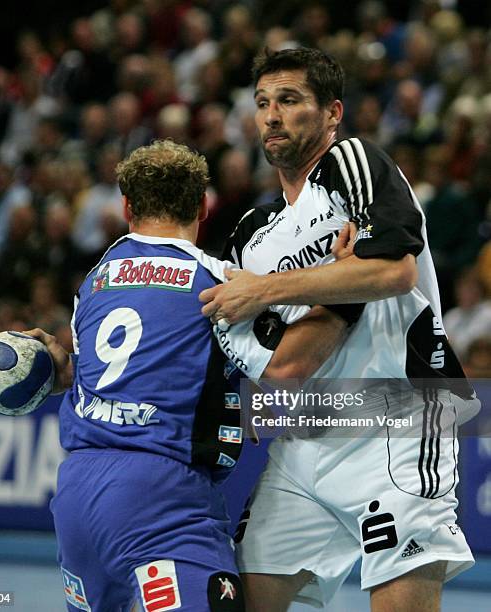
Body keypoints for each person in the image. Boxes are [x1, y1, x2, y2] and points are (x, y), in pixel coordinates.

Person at [199, 47, 480, 612]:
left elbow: (395, 271)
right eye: (262, 103)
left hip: (397, 422)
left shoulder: (352, 163)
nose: (272, 115)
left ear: (332, 112)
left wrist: (268, 290)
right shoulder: (251, 233)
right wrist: (333, 277)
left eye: (290, 100)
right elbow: (273, 361)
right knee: (244, 599)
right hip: (305, 441)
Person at [26, 139, 351, 612]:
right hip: (161, 498)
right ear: (203, 206)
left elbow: (128, 367)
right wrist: (345, 292)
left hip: (76, 492)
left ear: (127, 207)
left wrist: (59, 369)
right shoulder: (219, 281)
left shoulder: (93, 280)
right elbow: (287, 367)